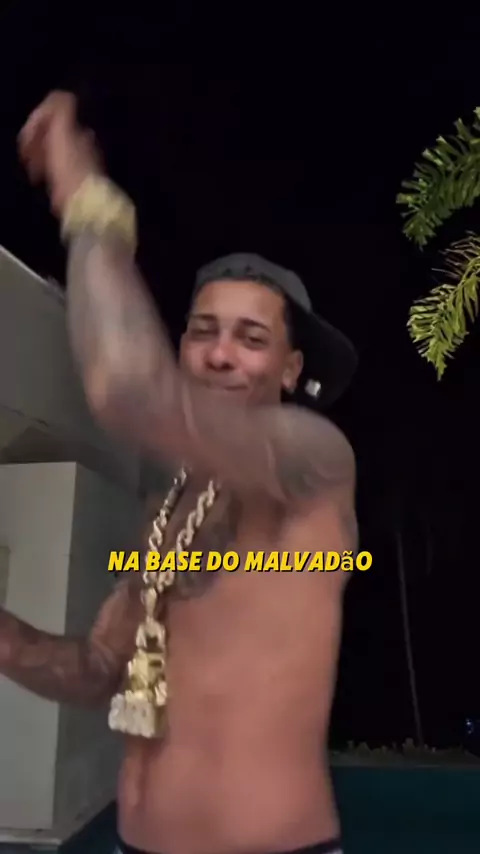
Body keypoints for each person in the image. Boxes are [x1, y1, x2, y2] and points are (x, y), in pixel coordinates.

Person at [0, 91, 359, 854]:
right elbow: (99, 667)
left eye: (251, 339)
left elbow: (129, 390)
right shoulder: (167, 509)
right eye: (202, 332)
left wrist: (88, 204)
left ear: (291, 368)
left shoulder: (312, 460)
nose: (220, 354)